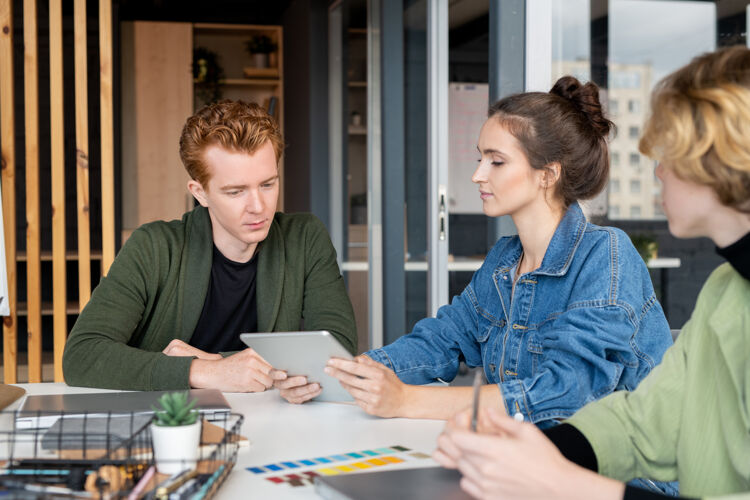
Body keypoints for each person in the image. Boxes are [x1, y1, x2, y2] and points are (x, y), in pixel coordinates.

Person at [434, 45, 750, 500]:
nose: (658, 171)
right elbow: (648, 422)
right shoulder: (727, 288)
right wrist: (536, 450)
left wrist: (562, 482)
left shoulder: (607, 254)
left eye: (671, 152)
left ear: (726, 159)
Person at [323, 76, 673, 424]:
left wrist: (407, 400)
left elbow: (566, 392)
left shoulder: (605, 255)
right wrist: (347, 374)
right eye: (480, 159)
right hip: (532, 457)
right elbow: (440, 340)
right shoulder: (504, 261)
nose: (477, 175)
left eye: (497, 161)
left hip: (624, 473)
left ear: (547, 174)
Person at [63, 100, 357, 396]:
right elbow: (82, 355)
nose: (258, 206)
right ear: (200, 193)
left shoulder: (305, 238)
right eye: (236, 191)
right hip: (168, 422)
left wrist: (218, 363)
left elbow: (339, 351)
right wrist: (203, 371)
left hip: (268, 419)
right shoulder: (152, 247)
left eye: (268, 184)